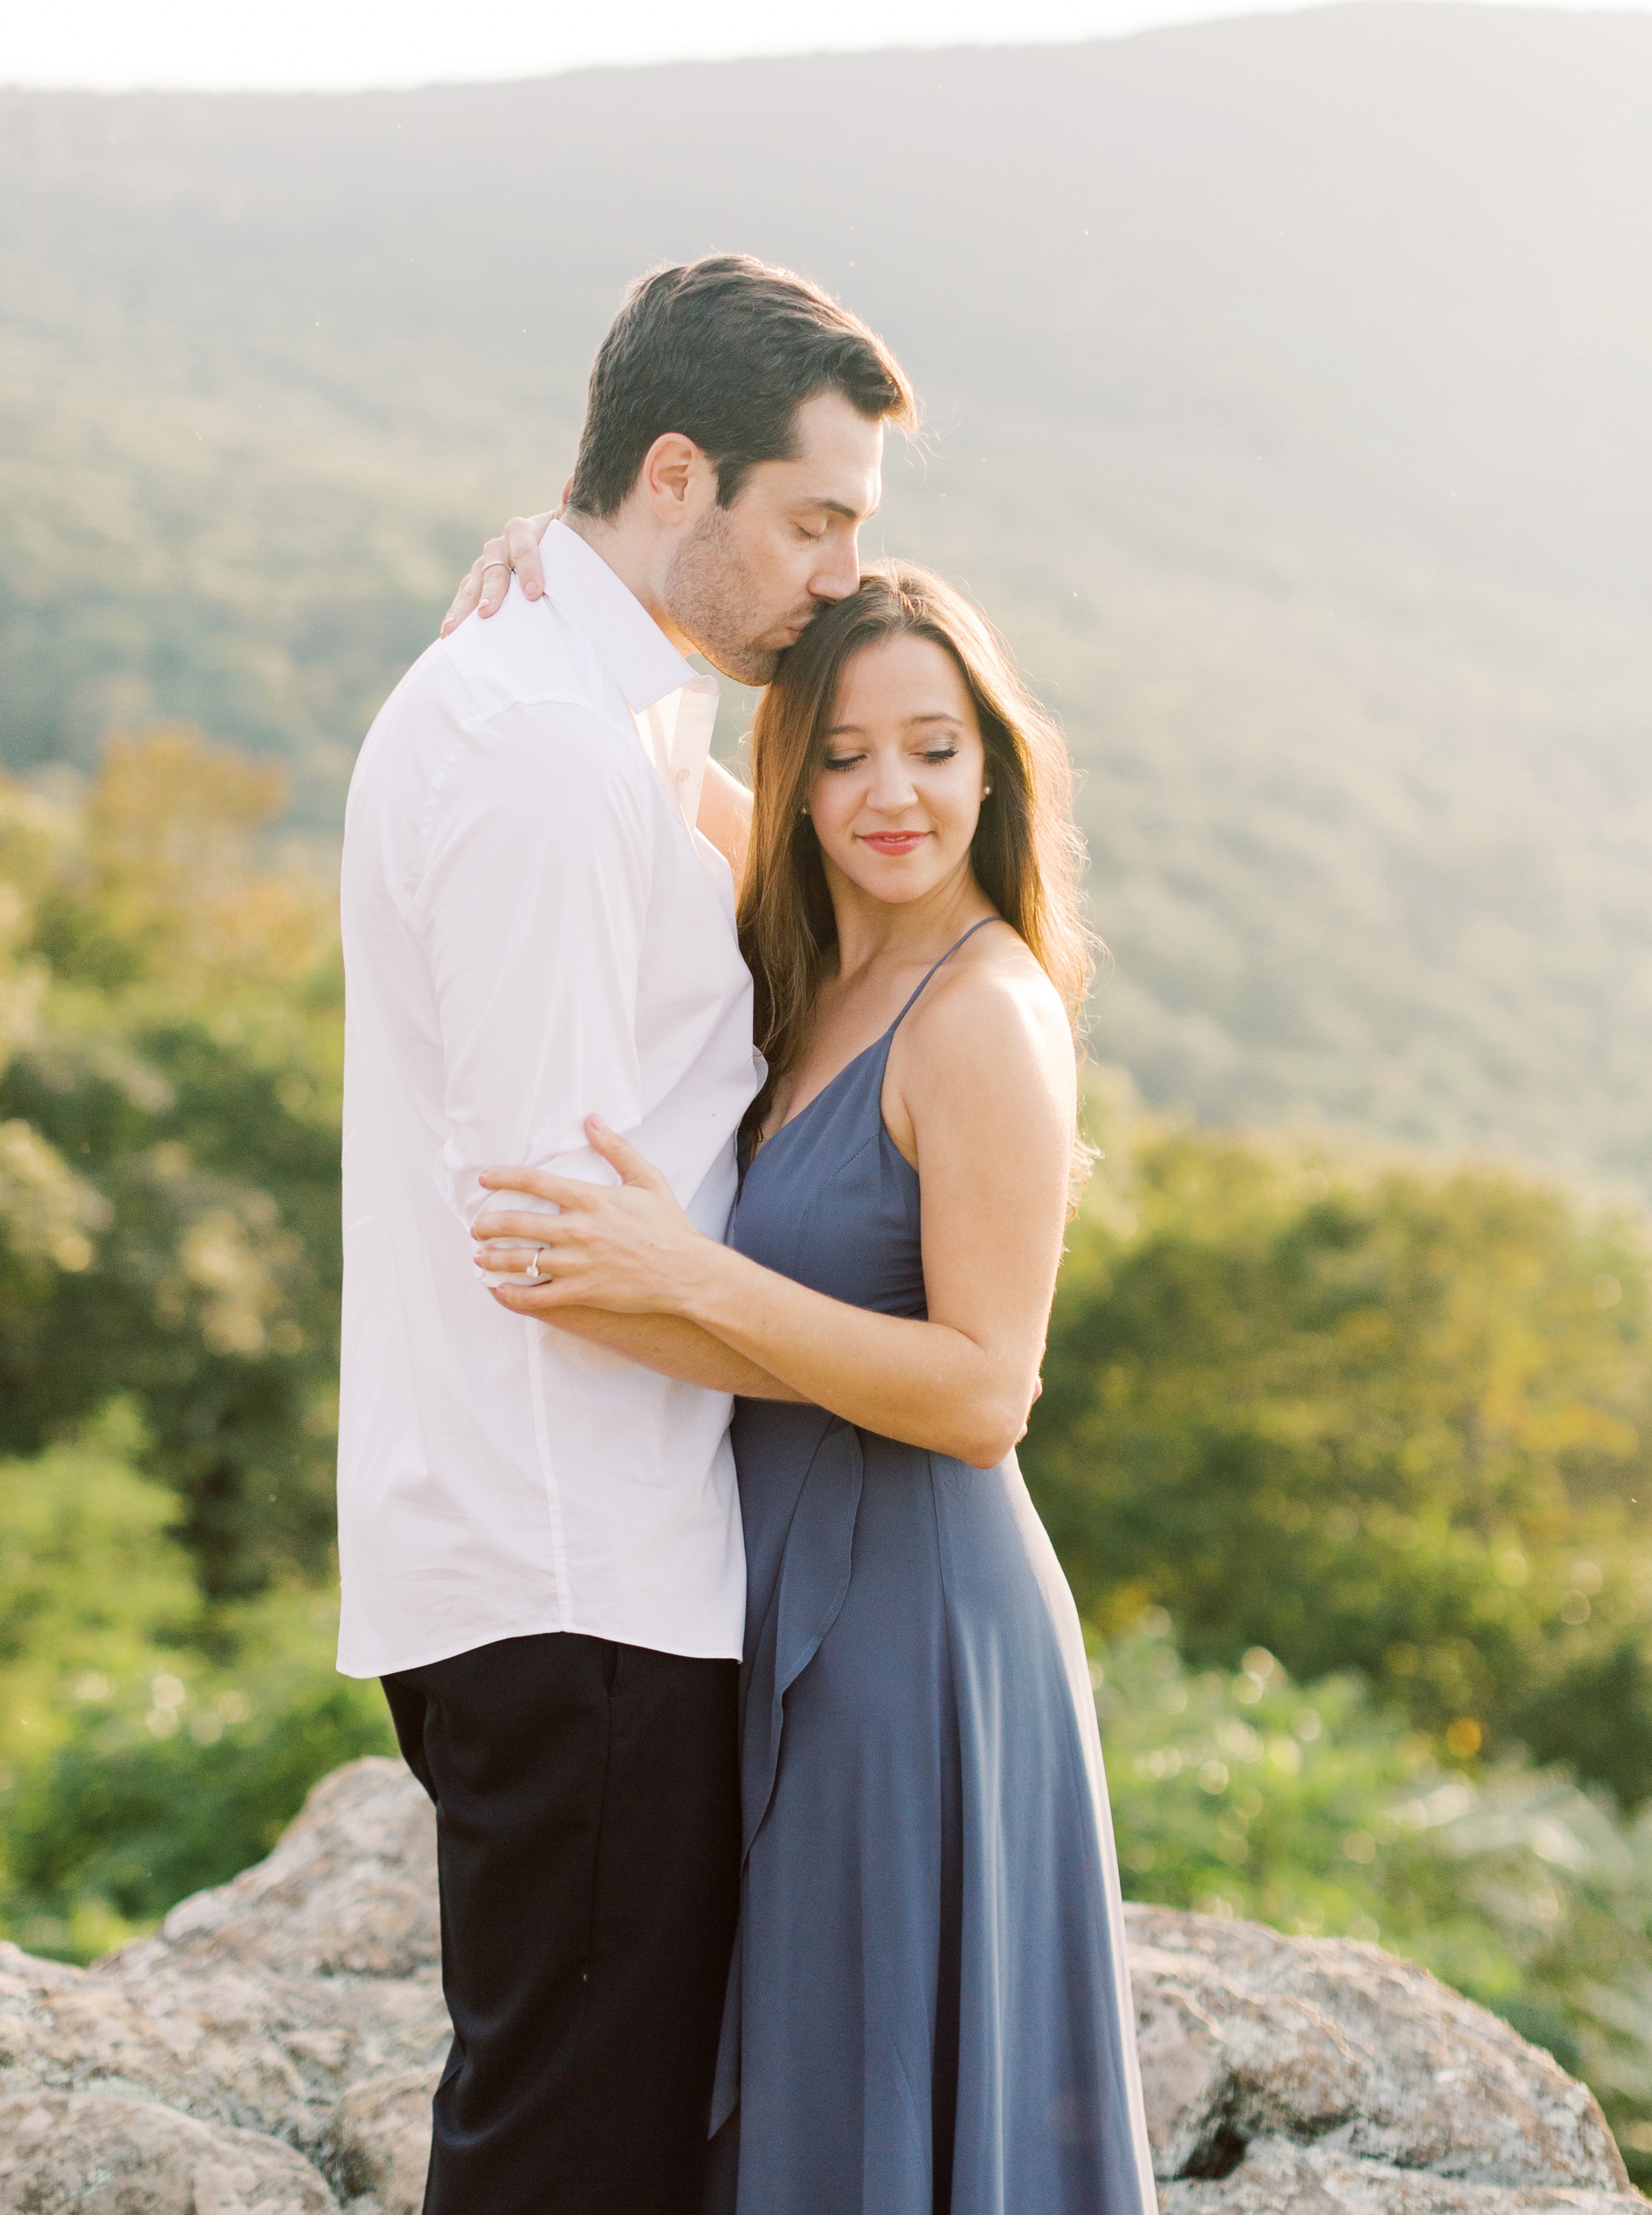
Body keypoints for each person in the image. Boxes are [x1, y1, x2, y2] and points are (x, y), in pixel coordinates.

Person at [467, 563, 1158, 2215]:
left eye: (932, 747)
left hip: (907, 1628)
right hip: (774, 1591)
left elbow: (986, 1393)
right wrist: (557, 563)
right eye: (841, 755)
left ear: (994, 764)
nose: (887, 794)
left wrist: (687, 1275)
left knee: (858, 2085)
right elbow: (636, 755)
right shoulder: (814, 954)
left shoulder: (983, 1011)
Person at [337, 254, 914, 2215]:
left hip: (597, 1553)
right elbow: (555, 1240)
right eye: (812, 520)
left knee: (598, 2134)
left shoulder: (614, 710)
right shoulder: (544, 747)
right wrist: (896, 1378)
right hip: (569, 1559)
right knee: (567, 2160)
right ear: (677, 476)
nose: (840, 570)